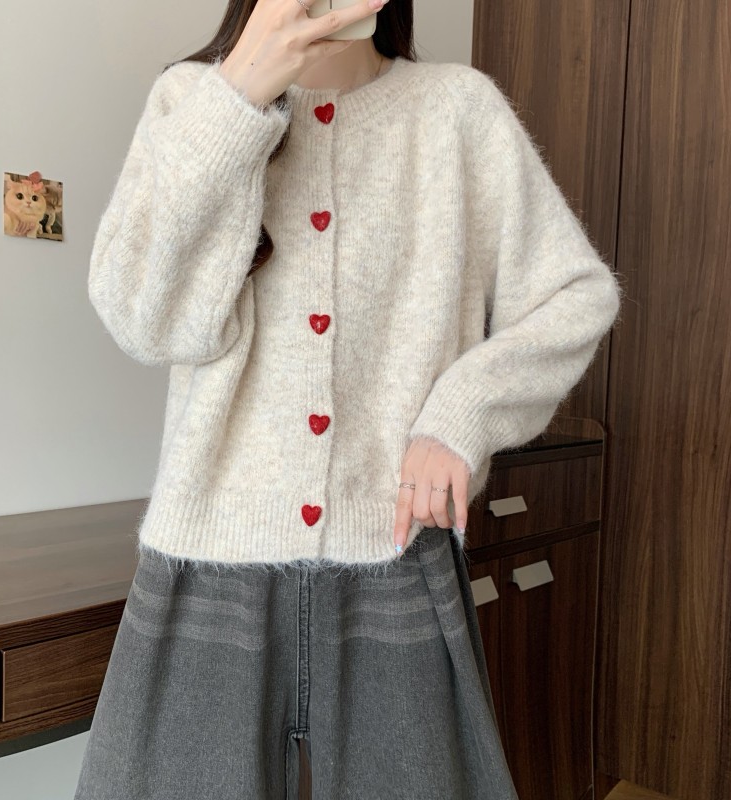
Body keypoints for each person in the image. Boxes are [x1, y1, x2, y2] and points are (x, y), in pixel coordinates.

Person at [74, 0, 623, 797]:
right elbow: (142, 318)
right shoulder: (190, 101)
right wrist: (236, 101)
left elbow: (574, 294)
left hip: (395, 555)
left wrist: (460, 416)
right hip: (209, 558)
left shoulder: (457, 112)